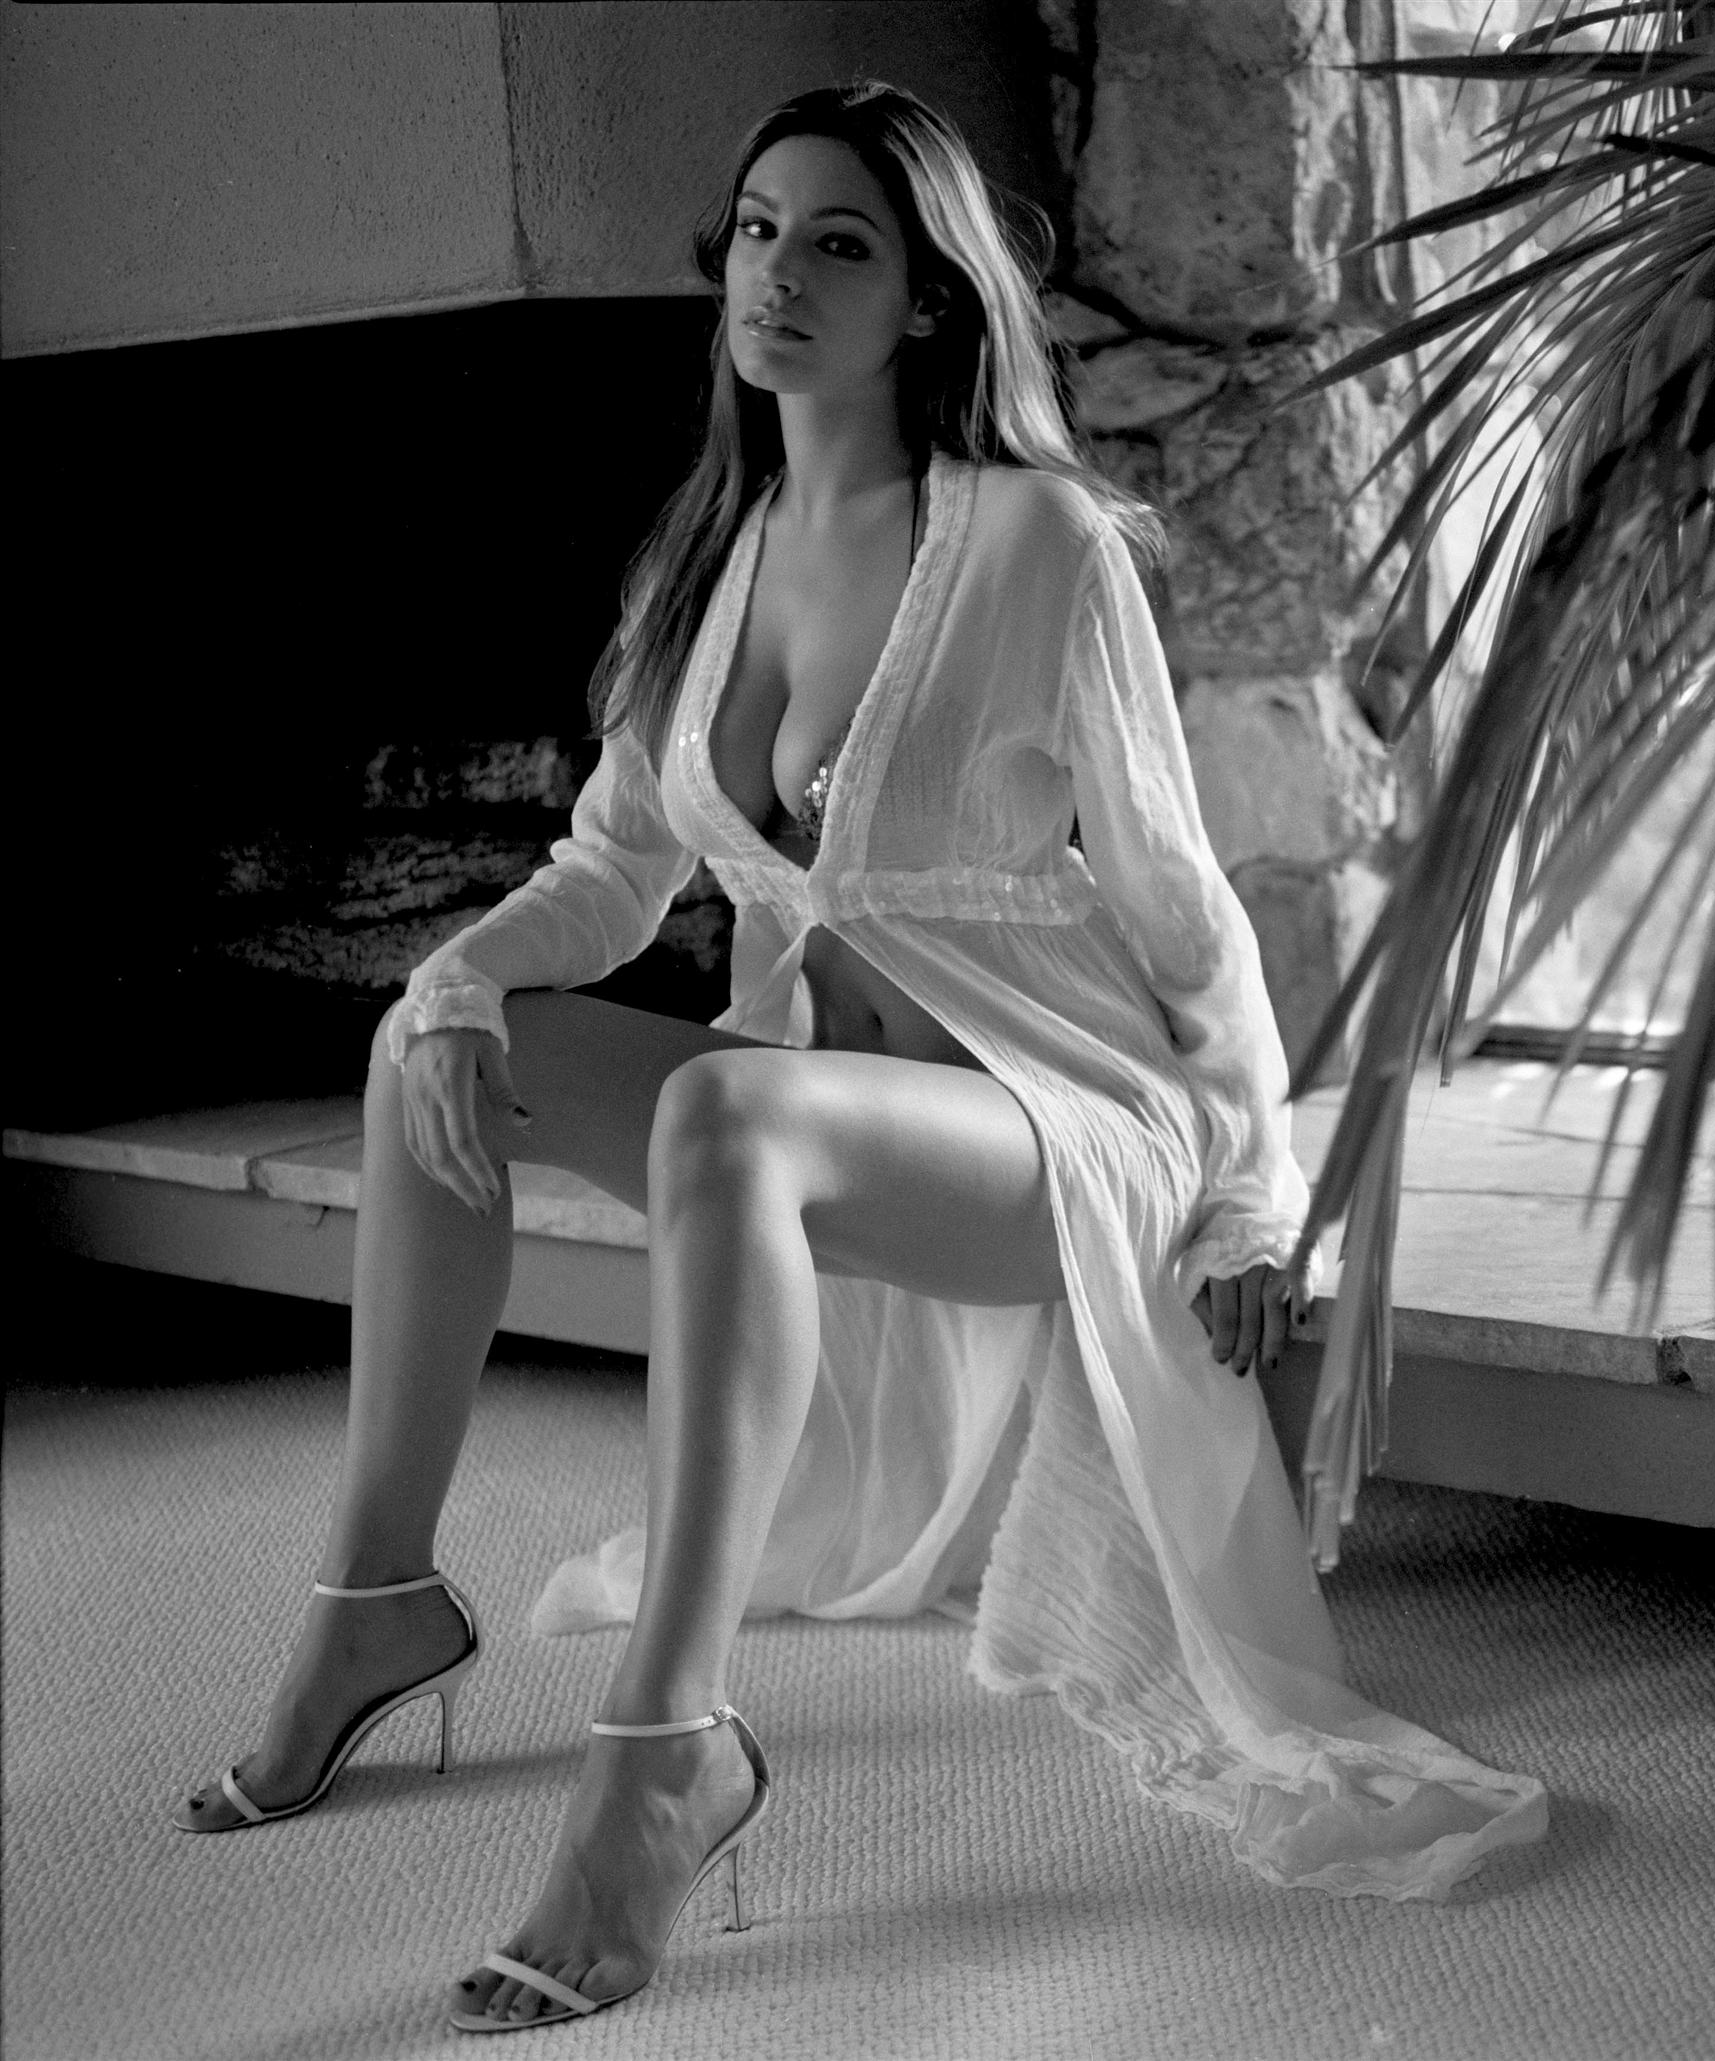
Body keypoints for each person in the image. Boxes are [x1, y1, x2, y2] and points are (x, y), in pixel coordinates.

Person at [174, 81, 1545, 2032]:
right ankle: (378, 1593)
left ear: (926, 299)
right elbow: (612, 874)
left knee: (728, 1110)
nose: (779, 272)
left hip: (1054, 1122)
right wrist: (463, 974)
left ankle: (668, 1744)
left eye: (838, 242)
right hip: (810, 1112)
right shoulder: (706, 557)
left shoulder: (1036, 543)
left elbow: (1182, 902)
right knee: (427, 1044)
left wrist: (1253, 1188)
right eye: (755, 230)